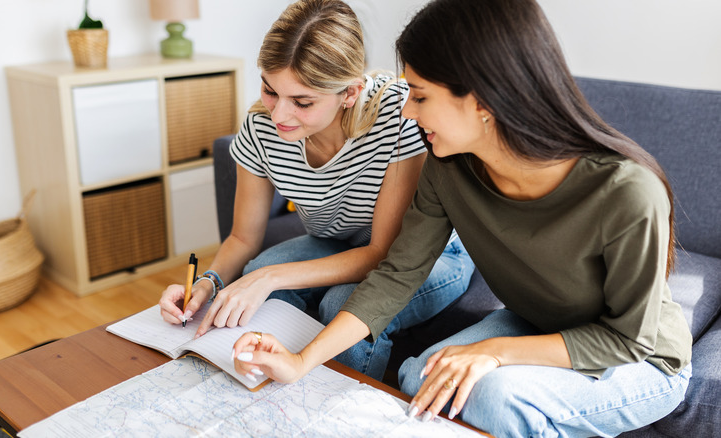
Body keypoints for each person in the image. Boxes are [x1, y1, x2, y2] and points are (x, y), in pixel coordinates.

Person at [230, 0, 693, 436]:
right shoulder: (447, 167)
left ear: (482, 102)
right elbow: (396, 276)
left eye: (420, 95)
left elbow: (630, 340)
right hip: (536, 323)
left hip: (639, 357)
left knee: (489, 396)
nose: (406, 111)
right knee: (422, 379)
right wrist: (300, 362)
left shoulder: (626, 191)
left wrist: (493, 352)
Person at [158, 0, 474, 381]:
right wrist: (209, 284)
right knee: (253, 275)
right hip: (337, 241)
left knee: (340, 303)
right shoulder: (261, 128)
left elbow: (383, 254)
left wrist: (271, 277)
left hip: (426, 255)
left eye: (302, 102)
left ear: (350, 93)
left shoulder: (396, 117)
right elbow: (242, 237)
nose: (278, 115)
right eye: (270, 90)